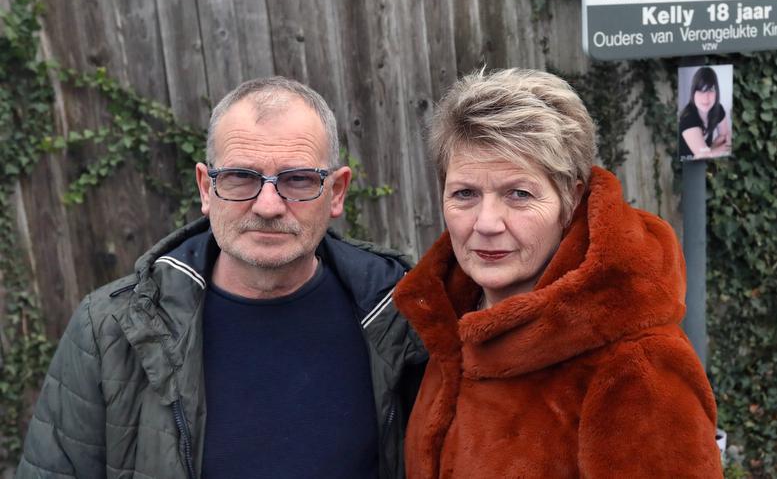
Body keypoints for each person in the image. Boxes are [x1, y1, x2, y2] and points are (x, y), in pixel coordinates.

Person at [17, 77, 426, 479]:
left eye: (298, 179)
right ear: (206, 188)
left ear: (336, 192)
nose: (268, 205)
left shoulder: (403, 317)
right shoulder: (109, 332)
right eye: (241, 177)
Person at [393, 68, 722, 477]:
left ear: (572, 197)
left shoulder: (636, 364)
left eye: (519, 194)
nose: (487, 222)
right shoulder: (445, 324)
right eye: (465, 193)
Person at [678, 66, 732, 161]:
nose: (706, 98)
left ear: (717, 92)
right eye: (701, 91)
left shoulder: (718, 109)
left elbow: (724, 136)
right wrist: (715, 151)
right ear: (693, 93)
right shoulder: (687, 119)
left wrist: (710, 151)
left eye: (710, 90)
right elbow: (701, 156)